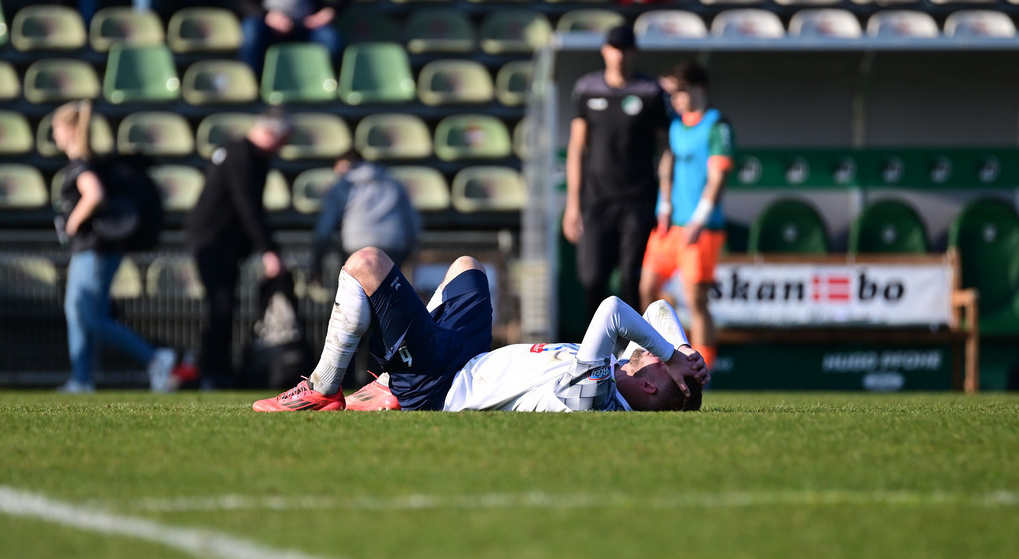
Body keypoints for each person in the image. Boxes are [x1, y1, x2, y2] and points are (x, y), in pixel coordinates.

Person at [252, 247, 708, 412]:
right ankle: (390, 378)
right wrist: (684, 351)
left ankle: (322, 388)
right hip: (469, 356)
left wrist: (671, 356)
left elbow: (612, 310)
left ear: (650, 386)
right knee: (468, 267)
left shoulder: (598, 396)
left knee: (366, 264)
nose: (657, 350)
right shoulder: (626, 369)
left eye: (660, 361)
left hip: (441, 383)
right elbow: (659, 308)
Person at [51, 100, 176, 393]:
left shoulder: (82, 165)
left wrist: (72, 223)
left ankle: (154, 357)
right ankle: (81, 379)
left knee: (91, 316)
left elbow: (94, 194)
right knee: (77, 314)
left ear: (70, 130)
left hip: (95, 250)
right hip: (90, 250)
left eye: (56, 128)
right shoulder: (87, 163)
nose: (54, 135)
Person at [563, 23, 669, 326]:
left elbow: (666, 149)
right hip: (597, 200)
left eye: (624, 49)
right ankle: (598, 347)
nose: (619, 55)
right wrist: (573, 205)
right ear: (604, 51)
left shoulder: (650, 91)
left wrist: (665, 201)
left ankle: (635, 349)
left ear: (633, 52)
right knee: (592, 278)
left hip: (638, 199)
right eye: (614, 48)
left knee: (631, 279)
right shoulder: (587, 89)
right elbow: (576, 148)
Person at [185, 107, 292, 390]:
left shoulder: (257, 158)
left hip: (227, 244)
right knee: (221, 304)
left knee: (225, 305)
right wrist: (268, 250)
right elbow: (247, 205)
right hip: (211, 241)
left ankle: (219, 370)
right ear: (270, 133)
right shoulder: (240, 154)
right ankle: (210, 371)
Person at [639, 62, 734, 371]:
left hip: (701, 229)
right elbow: (667, 165)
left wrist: (699, 218)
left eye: (680, 92)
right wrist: (664, 206)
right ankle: (662, 359)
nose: (675, 99)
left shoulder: (717, 126)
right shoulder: (676, 126)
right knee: (648, 290)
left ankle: (702, 371)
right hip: (670, 226)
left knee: (697, 302)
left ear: (698, 88)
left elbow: (717, 177)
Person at [309, 149, 421, 278]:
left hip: (357, 246)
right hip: (392, 244)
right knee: (389, 288)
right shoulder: (392, 182)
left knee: (359, 288)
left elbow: (326, 225)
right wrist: (410, 247)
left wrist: (317, 257)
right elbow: (411, 221)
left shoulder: (343, 185)